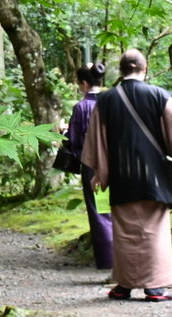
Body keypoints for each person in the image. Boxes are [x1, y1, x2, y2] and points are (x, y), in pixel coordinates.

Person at [80, 49, 172, 303]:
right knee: (155, 232)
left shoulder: (107, 100)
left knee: (125, 234)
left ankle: (123, 285)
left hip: (122, 176)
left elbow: (96, 141)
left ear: (121, 71)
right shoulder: (159, 96)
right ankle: (155, 288)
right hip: (155, 178)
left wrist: (101, 172)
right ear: (145, 69)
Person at [61, 61, 113, 271]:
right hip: (117, 163)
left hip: (93, 165)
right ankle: (124, 257)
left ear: (83, 84)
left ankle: (108, 260)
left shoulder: (82, 107)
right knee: (116, 208)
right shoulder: (112, 102)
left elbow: (73, 142)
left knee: (100, 210)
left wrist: (63, 132)